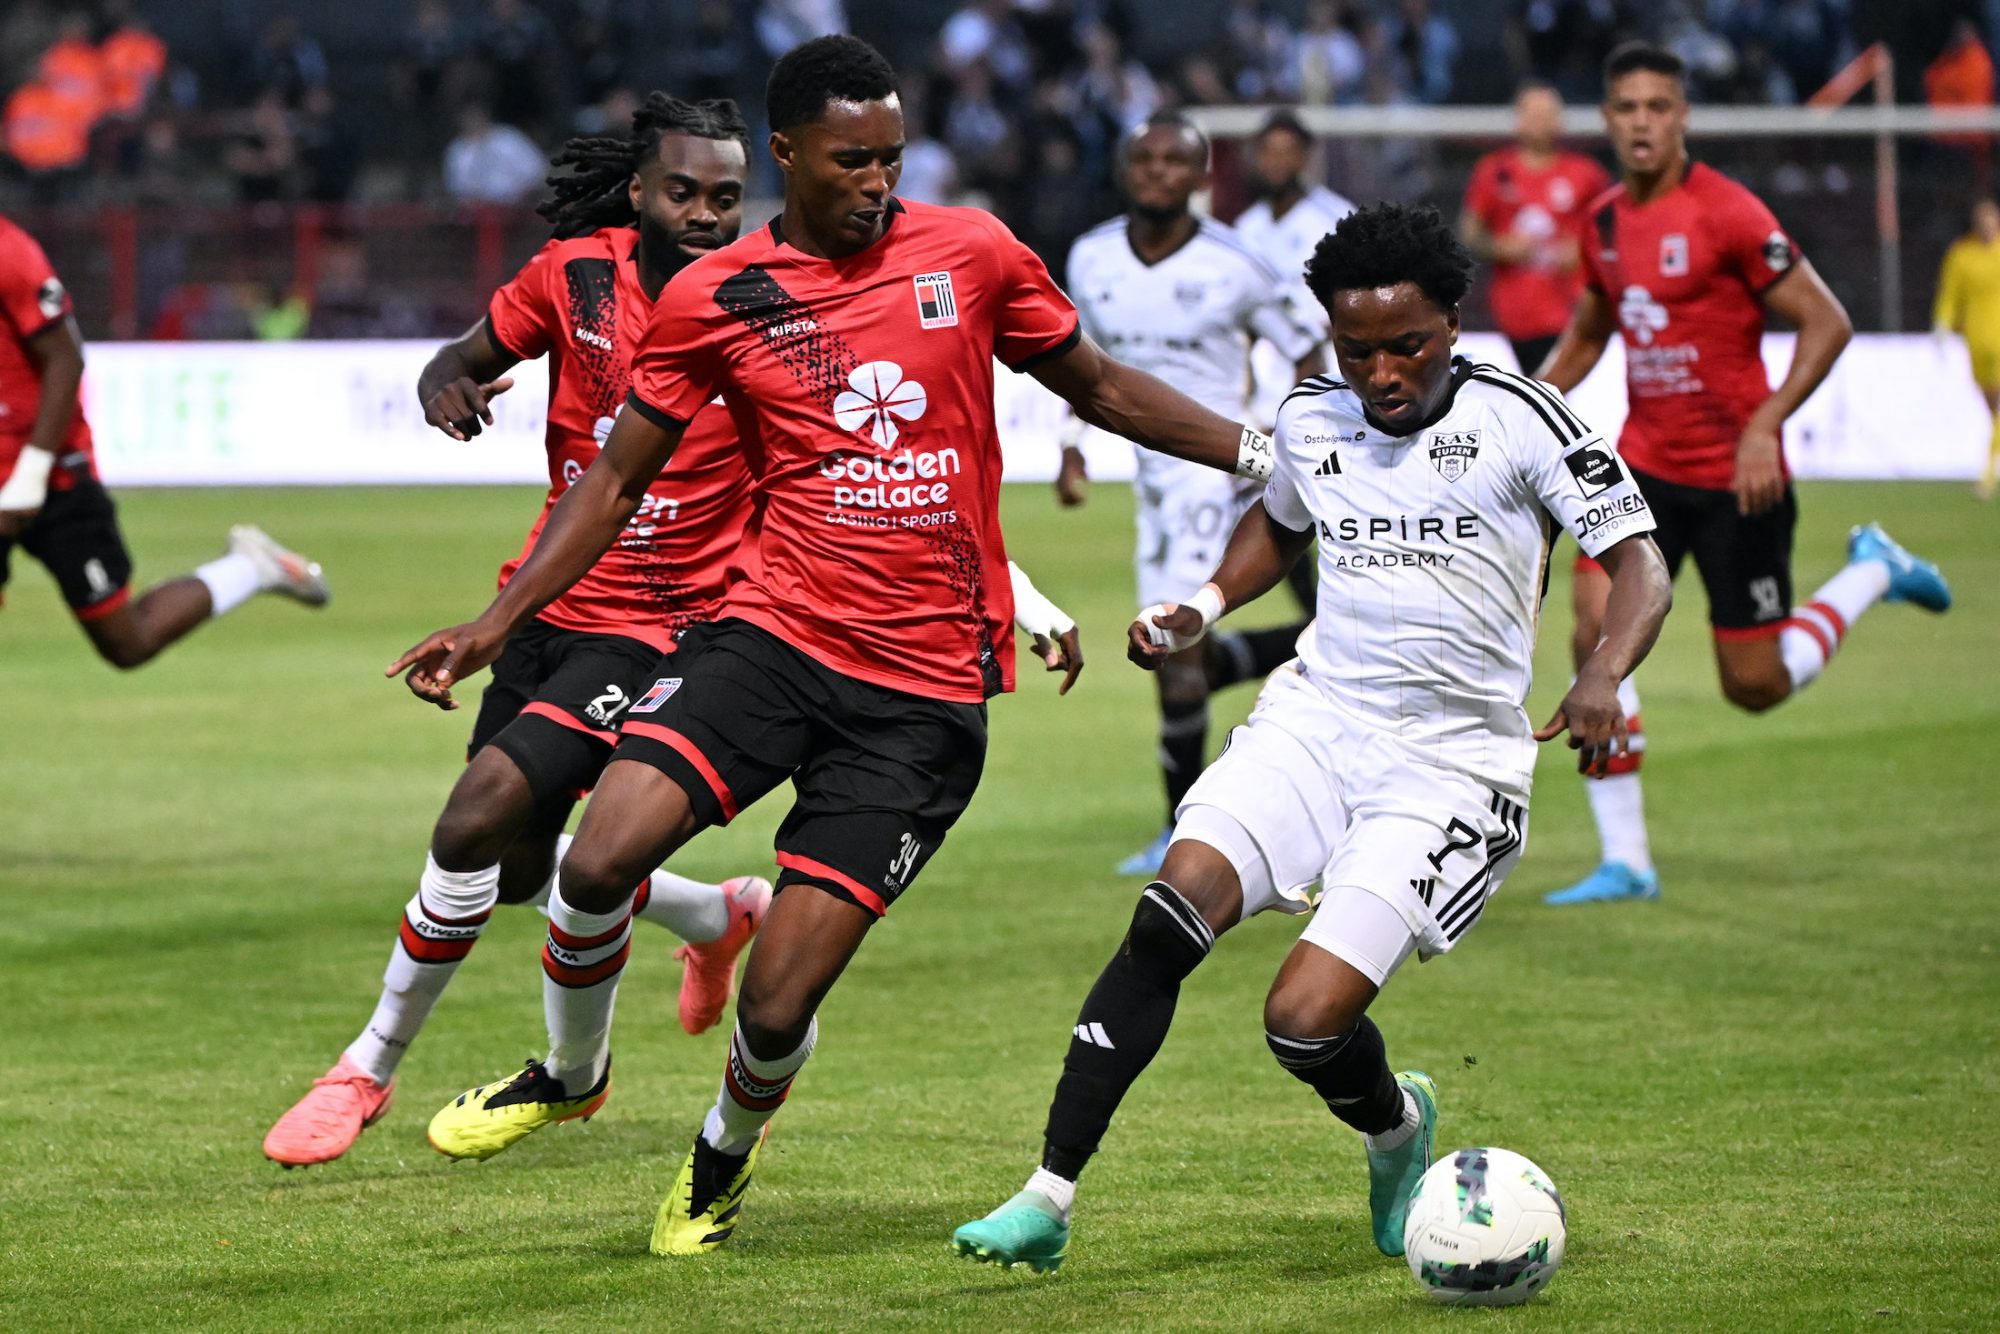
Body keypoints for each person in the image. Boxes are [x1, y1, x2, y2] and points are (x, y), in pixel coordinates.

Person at [405, 34, 1274, 1256]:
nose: (877, 182)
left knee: (775, 999)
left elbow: (1101, 387)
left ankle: (718, 1157)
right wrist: (493, 626)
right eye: (851, 160)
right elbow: (610, 481)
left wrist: (1258, 452)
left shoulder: (968, 252)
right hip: (770, 639)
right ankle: (569, 1070)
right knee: (595, 858)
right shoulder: (717, 297)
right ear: (787, 154)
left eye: (892, 159)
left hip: (919, 699)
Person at [950, 201, 1674, 1274]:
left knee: (1300, 1020)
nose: (1381, 373)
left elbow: (1640, 563)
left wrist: (1601, 671)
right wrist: (1200, 602)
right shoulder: (1310, 416)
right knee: (1165, 917)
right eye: (1357, 349)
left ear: (1451, 324)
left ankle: (1394, 1130)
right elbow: (1280, 522)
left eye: (1406, 346)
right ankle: (1045, 1196)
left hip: (1452, 766)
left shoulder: (1527, 417)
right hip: (1316, 720)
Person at [262, 94, 774, 1169]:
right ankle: (713, 915)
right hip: (550, 600)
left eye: (725, 197)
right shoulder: (571, 274)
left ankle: (365, 1065)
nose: (704, 213)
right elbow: (455, 353)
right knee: (511, 870)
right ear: (637, 191)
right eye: (681, 191)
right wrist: (447, 387)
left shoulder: (762, 306)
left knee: (472, 816)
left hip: (658, 627)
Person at [1536, 42, 1952, 906]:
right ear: (1607, 119)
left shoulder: (1726, 213)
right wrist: (1519, 403)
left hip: (1736, 478)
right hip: (1642, 467)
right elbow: (1588, 332)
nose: (1642, 122)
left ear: (1683, 115)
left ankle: (1874, 568)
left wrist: (1767, 422)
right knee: (1591, 627)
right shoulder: (1605, 222)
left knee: (1754, 688)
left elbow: (1827, 321)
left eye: (1659, 106)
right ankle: (1628, 860)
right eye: (1626, 108)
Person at [1058, 111, 1325, 877]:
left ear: (1203, 177)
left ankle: (1180, 835)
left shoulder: (1235, 265)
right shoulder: (1092, 256)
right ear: (1124, 169)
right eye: (1146, 159)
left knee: (1168, 651)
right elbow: (1086, 364)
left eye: (1177, 161)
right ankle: (1318, 640)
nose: (1159, 172)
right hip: (1150, 480)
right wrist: (1073, 447)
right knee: (1183, 658)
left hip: (1216, 472)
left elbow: (1306, 346)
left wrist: (1297, 439)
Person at [0, 213, 327, 665]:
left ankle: (251, 568)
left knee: (126, 642)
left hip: (52, 475)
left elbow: (66, 359)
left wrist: (32, 472)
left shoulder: (9, 250)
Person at [1459, 81, 1609, 377]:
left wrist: (1584, 250)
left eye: (1548, 114)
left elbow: (1613, 230)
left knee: (1558, 399)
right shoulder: (1494, 171)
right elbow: (1470, 233)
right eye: (1533, 113)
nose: (1540, 122)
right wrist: (1499, 246)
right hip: (1512, 314)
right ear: (1518, 118)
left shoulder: (1586, 174)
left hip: (1571, 310)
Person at [1233, 109, 1354, 430]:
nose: (1277, 162)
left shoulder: (1335, 219)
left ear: (1304, 158)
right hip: (1263, 360)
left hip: (1325, 357)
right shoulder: (1246, 228)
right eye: (1268, 152)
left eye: (1287, 152)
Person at [1932, 198, 2000, 499]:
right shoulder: (1962, 254)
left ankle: (1987, 473)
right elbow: (1950, 293)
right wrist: (1942, 324)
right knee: (1992, 408)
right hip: (1976, 339)